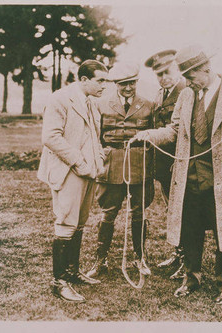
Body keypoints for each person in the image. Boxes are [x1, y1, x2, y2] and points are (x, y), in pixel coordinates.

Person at [132, 45, 222, 305]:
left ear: (205, 69)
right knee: (190, 229)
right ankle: (191, 278)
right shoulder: (186, 96)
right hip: (189, 176)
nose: (188, 83)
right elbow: (173, 131)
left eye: (191, 77)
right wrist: (150, 135)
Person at [37, 60, 108, 303]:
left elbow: (94, 136)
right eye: (100, 80)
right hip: (68, 170)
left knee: (79, 222)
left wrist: (97, 158)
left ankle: (72, 273)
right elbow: (50, 137)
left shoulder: (91, 102)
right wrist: (78, 161)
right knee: (66, 222)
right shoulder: (60, 98)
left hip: (87, 172)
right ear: (84, 79)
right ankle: (59, 282)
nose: (104, 85)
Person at [86, 62, 155, 278]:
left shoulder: (149, 105)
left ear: (137, 82)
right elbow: (95, 137)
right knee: (108, 213)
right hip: (111, 164)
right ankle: (101, 259)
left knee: (139, 213)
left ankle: (139, 258)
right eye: (123, 84)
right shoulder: (101, 105)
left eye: (132, 83)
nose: (128, 88)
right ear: (116, 84)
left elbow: (154, 136)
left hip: (139, 164)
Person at [144, 50, 187, 279]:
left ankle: (187, 260)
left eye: (166, 72)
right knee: (172, 211)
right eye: (158, 74)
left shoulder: (186, 92)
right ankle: (178, 253)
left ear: (177, 69)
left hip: (180, 164)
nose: (163, 77)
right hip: (163, 166)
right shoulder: (161, 94)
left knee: (184, 211)